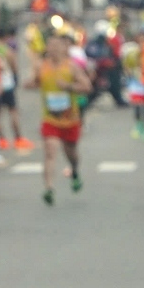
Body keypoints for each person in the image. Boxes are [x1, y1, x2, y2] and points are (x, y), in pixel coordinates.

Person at [27, 33, 92, 205]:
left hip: (70, 119)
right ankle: (49, 188)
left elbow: (86, 86)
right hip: (50, 119)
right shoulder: (42, 66)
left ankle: (75, 171)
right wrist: (30, 83)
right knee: (50, 151)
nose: (54, 49)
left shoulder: (71, 67)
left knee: (71, 152)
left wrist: (69, 86)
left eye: (57, 46)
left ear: (64, 48)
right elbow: (34, 82)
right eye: (51, 46)